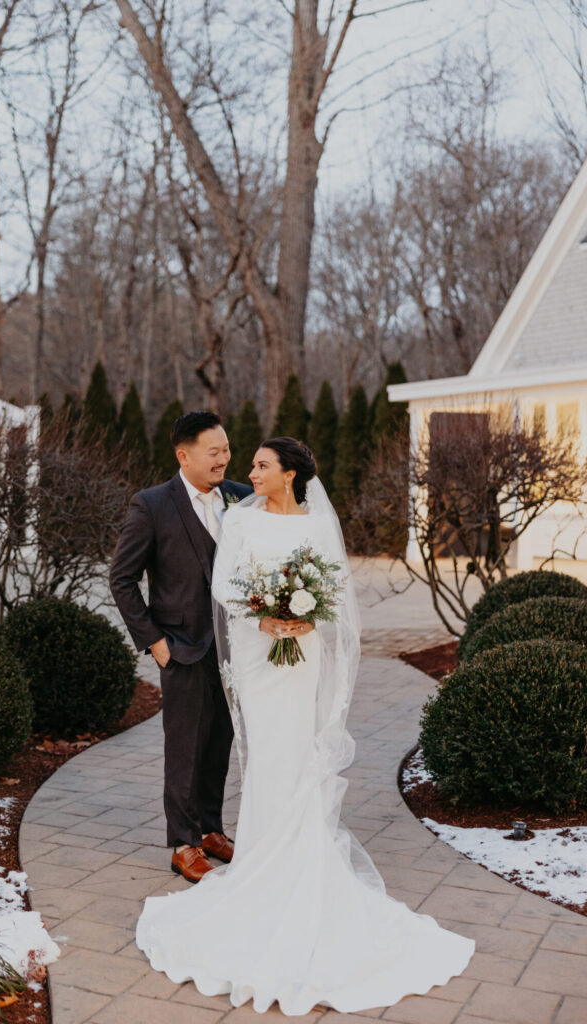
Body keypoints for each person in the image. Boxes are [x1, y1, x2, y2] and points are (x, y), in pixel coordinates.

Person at [135, 436, 476, 1016]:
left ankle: (301, 864)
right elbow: (225, 587)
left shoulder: (317, 525)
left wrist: (304, 618)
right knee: (266, 756)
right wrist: (266, 617)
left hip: (302, 656)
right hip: (256, 655)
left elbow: (337, 593)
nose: (249, 470)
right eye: (250, 463)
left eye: (261, 465)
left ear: (289, 474)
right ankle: (260, 864)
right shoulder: (242, 520)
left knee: (298, 756)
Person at [109, 411, 251, 883]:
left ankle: (211, 829)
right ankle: (183, 843)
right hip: (182, 646)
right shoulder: (151, 505)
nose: (224, 459)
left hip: (235, 648)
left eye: (227, 449)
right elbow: (123, 579)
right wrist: (154, 641)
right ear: (183, 454)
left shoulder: (242, 499)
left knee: (220, 743)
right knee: (185, 748)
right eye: (215, 451)